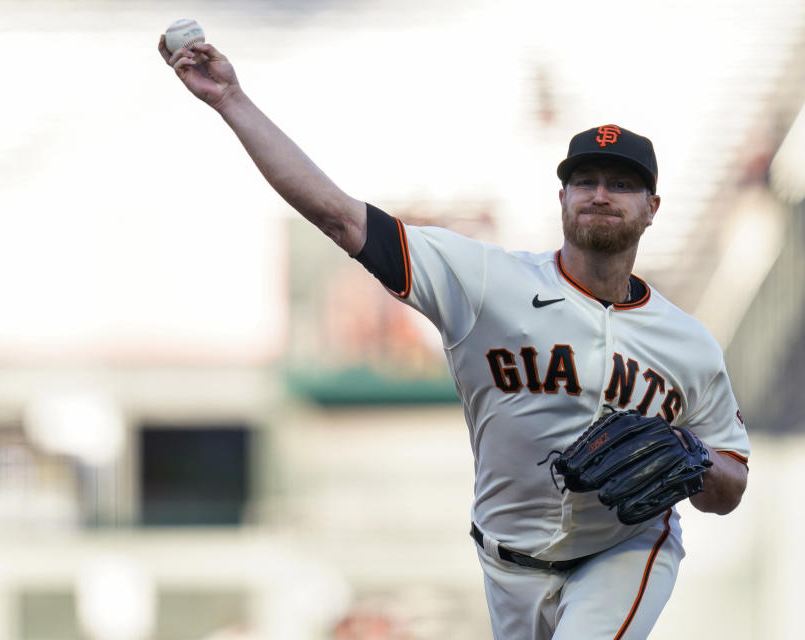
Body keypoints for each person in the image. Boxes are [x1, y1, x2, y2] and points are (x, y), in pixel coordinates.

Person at [161, 37, 750, 640]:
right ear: (562, 199)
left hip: (625, 550)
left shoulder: (688, 342)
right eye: (586, 180)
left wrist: (694, 460)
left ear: (652, 207)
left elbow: (731, 480)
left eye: (621, 184)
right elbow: (338, 215)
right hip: (506, 560)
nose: (600, 194)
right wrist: (230, 99)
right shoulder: (485, 280)